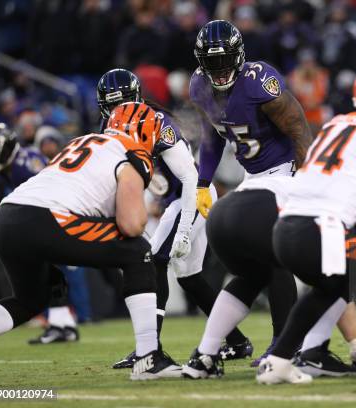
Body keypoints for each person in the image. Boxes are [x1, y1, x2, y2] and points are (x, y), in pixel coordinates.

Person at [0, 103, 180, 380]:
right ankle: (149, 357)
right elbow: (131, 224)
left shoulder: (84, 140)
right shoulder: (133, 153)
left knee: (29, 300)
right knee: (139, 251)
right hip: (46, 218)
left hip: (6, 218)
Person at [255, 61, 356, 384]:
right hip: (320, 230)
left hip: (286, 230)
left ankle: (279, 361)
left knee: (332, 286)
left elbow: (347, 198)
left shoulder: (336, 124)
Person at [95, 69, 252, 370]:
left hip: (193, 197)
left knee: (154, 262)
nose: (118, 112)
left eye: (124, 103)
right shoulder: (109, 127)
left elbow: (191, 177)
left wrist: (182, 231)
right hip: (173, 201)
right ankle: (236, 341)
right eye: (113, 106)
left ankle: (149, 348)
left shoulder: (156, 121)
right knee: (190, 278)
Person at [189, 19, 312, 364]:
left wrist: (306, 177)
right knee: (251, 265)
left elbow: (299, 127)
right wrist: (202, 181)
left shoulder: (258, 81)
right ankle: (212, 348)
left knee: (274, 255)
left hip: (285, 173)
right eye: (212, 62)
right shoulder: (199, 86)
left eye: (225, 60)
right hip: (254, 177)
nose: (220, 69)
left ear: (239, 56)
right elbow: (211, 136)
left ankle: (286, 344)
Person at [181, 175, 356, 379]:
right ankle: (310, 353)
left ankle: (204, 356)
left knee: (253, 277)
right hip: (261, 214)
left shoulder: (316, 172)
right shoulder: (347, 189)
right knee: (337, 273)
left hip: (221, 215)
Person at [0, 123, 84, 344]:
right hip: (51, 214)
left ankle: (62, 324)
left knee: (47, 269)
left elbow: (50, 194)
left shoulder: (22, 167)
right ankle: (62, 325)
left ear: (2, 148)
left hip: (58, 212)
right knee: (49, 271)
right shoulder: (15, 164)